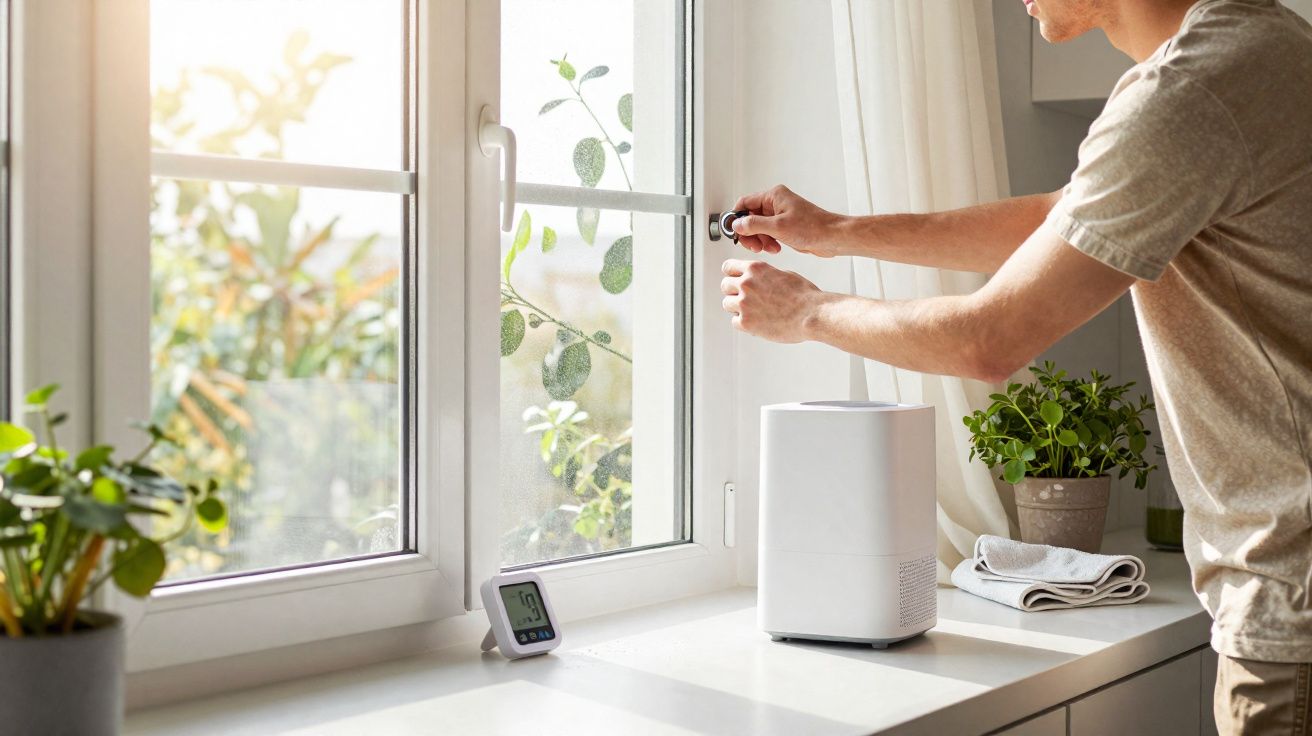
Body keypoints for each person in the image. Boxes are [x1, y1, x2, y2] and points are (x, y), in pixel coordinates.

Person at [720, 0, 1311, 733]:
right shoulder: (1259, 41)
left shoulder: (1191, 90)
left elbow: (988, 340)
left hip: (1294, 596)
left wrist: (807, 313)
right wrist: (836, 233)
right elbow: (1063, 221)